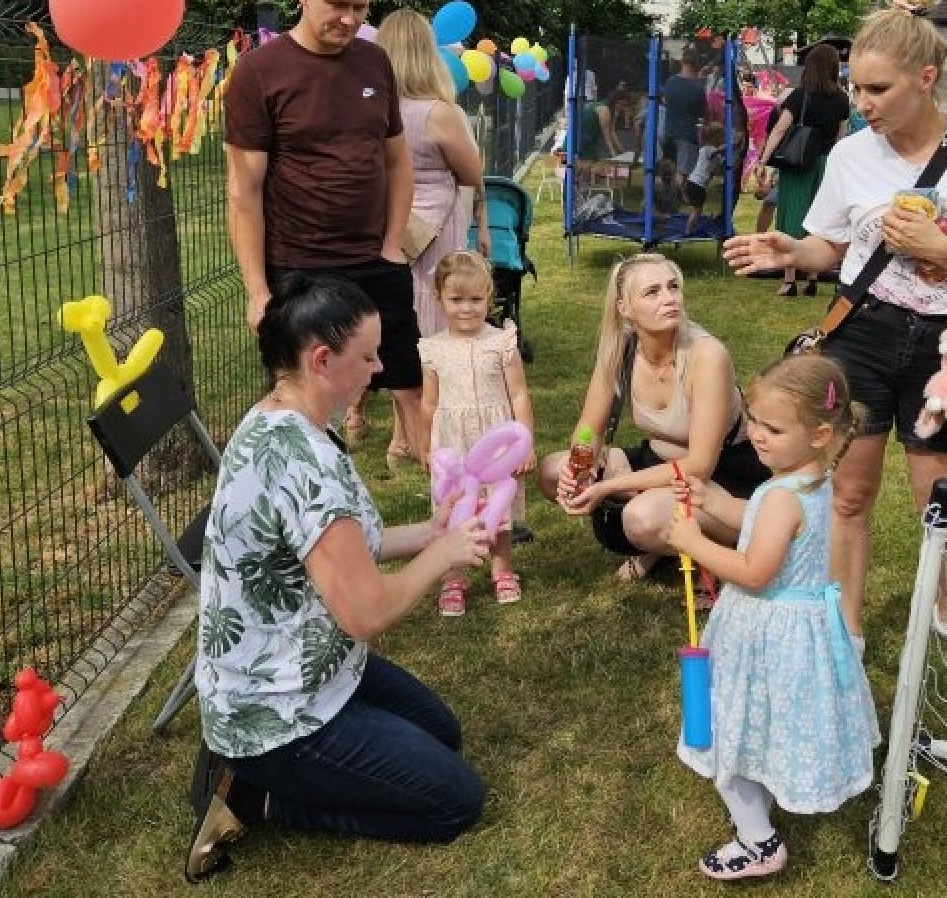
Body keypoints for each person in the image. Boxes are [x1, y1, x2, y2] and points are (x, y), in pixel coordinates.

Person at [723, 0, 947, 676]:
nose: (862, 105)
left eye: (877, 90)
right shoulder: (850, 155)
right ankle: (849, 627)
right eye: (856, 88)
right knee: (852, 493)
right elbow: (831, 248)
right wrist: (789, 251)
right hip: (861, 336)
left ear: (925, 78)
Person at [186, 275, 489, 882]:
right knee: (455, 801)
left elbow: (349, 546)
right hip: (279, 708)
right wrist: (442, 556)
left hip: (313, 664)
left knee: (443, 735)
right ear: (321, 360)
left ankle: (256, 767)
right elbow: (367, 611)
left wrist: (432, 532)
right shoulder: (303, 466)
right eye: (368, 356)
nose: (379, 368)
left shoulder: (287, 416)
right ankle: (256, 795)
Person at [663, 355, 879, 881]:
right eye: (754, 420)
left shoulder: (785, 495)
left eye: (773, 428)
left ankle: (757, 842)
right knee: (771, 727)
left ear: (819, 432)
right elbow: (761, 521)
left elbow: (755, 569)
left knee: (727, 736)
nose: (756, 435)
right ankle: (767, 798)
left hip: (763, 629)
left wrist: (692, 541)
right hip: (797, 630)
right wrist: (715, 501)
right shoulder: (808, 482)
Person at [224, 0, 423, 457]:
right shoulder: (258, 74)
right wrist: (257, 290)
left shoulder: (375, 64)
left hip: (375, 260)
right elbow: (244, 192)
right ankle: (308, 515)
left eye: (361, 7)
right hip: (300, 267)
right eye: (338, 4)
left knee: (410, 381)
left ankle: (448, 510)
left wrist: (393, 245)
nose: (351, 19)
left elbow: (397, 161)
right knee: (305, 403)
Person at [543, 254, 769, 582]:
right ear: (624, 308)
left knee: (641, 518)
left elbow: (700, 465)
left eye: (673, 287)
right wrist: (578, 466)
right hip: (659, 465)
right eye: (652, 292)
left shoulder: (707, 355)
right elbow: (590, 428)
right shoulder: (621, 348)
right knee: (553, 471)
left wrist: (608, 486)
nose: (669, 298)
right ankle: (665, 544)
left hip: (722, 479)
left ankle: (718, 551)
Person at [418, 252, 536, 616]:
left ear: (490, 299)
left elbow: (518, 394)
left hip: (495, 441)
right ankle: (453, 575)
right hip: (454, 442)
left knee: (498, 506)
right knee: (455, 508)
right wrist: (425, 447)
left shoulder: (501, 342)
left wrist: (525, 443)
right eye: (456, 300)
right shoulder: (433, 348)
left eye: (475, 300)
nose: (466, 309)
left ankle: (502, 570)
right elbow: (428, 403)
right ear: (439, 299)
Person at [377, 10, 491, 336]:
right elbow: (471, 173)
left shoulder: (374, 109)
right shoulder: (439, 113)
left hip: (390, 228)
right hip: (435, 233)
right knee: (436, 311)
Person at [756, 43, 850, 297]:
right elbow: (841, 137)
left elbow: (779, 130)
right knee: (818, 219)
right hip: (825, 164)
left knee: (791, 217)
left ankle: (789, 280)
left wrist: (763, 159)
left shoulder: (799, 95)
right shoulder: (843, 99)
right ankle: (811, 278)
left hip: (798, 163)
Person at [662, 48, 709, 180]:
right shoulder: (698, 88)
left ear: (682, 62)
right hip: (687, 136)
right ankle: (678, 196)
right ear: (696, 64)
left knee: (670, 172)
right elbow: (705, 113)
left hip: (669, 134)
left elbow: (666, 101)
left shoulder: (670, 82)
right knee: (682, 173)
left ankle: (671, 196)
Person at [684, 122, 727, 234]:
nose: (723, 139)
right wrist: (731, 144)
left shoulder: (716, 154)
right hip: (695, 183)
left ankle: (691, 229)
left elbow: (718, 167)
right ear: (714, 138)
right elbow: (718, 151)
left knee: (698, 210)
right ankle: (688, 231)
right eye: (722, 137)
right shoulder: (707, 149)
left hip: (699, 185)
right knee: (696, 210)